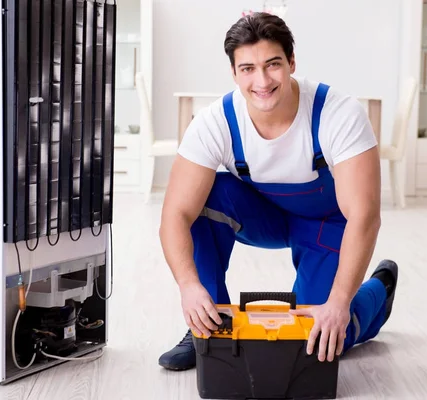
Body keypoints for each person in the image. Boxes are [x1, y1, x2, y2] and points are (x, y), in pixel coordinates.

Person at [157, 12, 399, 371]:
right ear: (234, 72)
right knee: (203, 196)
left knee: (319, 339)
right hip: (263, 216)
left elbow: (364, 216)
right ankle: (207, 328)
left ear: (291, 63)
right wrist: (189, 286)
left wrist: (338, 301)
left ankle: (376, 292)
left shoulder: (338, 114)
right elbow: (174, 215)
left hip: (327, 223)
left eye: (273, 65)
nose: (262, 80)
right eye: (248, 69)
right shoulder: (216, 121)